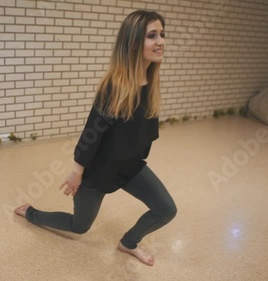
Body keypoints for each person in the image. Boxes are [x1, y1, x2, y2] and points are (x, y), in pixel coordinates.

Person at [14, 10, 177, 266]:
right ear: (133, 43)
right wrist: (77, 171)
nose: (161, 41)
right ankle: (31, 213)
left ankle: (128, 243)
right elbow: (92, 132)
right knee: (79, 227)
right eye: (152, 36)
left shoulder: (150, 83)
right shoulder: (114, 87)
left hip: (129, 167)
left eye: (162, 34)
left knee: (167, 209)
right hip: (96, 173)